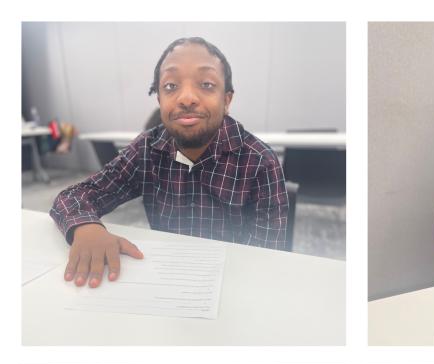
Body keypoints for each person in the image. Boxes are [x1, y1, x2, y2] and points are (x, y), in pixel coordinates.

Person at [50, 37, 288, 292]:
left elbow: (266, 260)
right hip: (167, 282)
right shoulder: (147, 149)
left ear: (227, 100)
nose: (186, 98)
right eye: (171, 86)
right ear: (160, 99)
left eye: (206, 85)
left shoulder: (259, 161)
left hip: (232, 287)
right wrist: (86, 227)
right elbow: (74, 196)